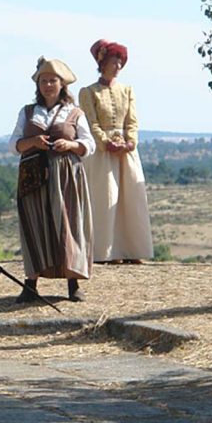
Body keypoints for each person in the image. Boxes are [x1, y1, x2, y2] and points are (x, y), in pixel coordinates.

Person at [9, 57, 95, 302]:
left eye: (52, 81)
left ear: (62, 84)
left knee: (67, 224)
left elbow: (90, 144)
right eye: (43, 81)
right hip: (32, 175)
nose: (48, 85)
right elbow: (13, 144)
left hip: (66, 176)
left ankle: (73, 283)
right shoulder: (27, 112)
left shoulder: (75, 113)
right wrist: (33, 143)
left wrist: (71, 144)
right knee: (34, 225)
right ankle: (30, 284)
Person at [78, 39, 153, 264]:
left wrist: (130, 143)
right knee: (104, 197)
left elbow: (132, 121)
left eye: (120, 62)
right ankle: (105, 251)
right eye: (113, 61)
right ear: (102, 63)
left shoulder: (127, 90)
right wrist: (105, 143)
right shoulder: (88, 92)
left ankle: (132, 250)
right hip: (102, 155)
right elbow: (91, 122)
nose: (117, 66)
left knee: (131, 199)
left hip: (126, 153)